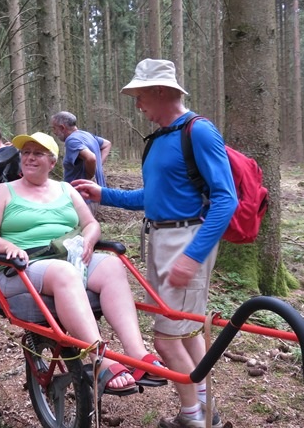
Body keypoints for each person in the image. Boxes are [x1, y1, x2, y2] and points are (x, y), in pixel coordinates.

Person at [73, 59, 237, 428]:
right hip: (162, 238)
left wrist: (192, 258)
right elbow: (155, 197)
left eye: (141, 96)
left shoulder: (199, 132)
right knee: (189, 333)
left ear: (163, 91)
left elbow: (226, 199)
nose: (138, 105)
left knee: (165, 341)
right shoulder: (161, 139)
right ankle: (207, 413)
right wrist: (104, 194)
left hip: (187, 240)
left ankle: (191, 418)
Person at [0, 131, 166, 398]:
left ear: (52, 162)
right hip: (21, 266)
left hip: (68, 257)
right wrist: (7, 246)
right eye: (25, 152)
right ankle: (102, 360)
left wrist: (88, 240)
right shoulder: (3, 192)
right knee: (63, 272)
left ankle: (136, 353)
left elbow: (91, 224)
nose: (29, 157)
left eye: (37, 153)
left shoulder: (65, 189)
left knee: (111, 266)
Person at [50, 111, 111, 186]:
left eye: (54, 128)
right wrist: (98, 165)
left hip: (84, 194)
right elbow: (107, 144)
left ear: (62, 128)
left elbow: (91, 158)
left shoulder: (72, 140)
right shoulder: (86, 135)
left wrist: (90, 177)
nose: (54, 132)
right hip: (97, 192)